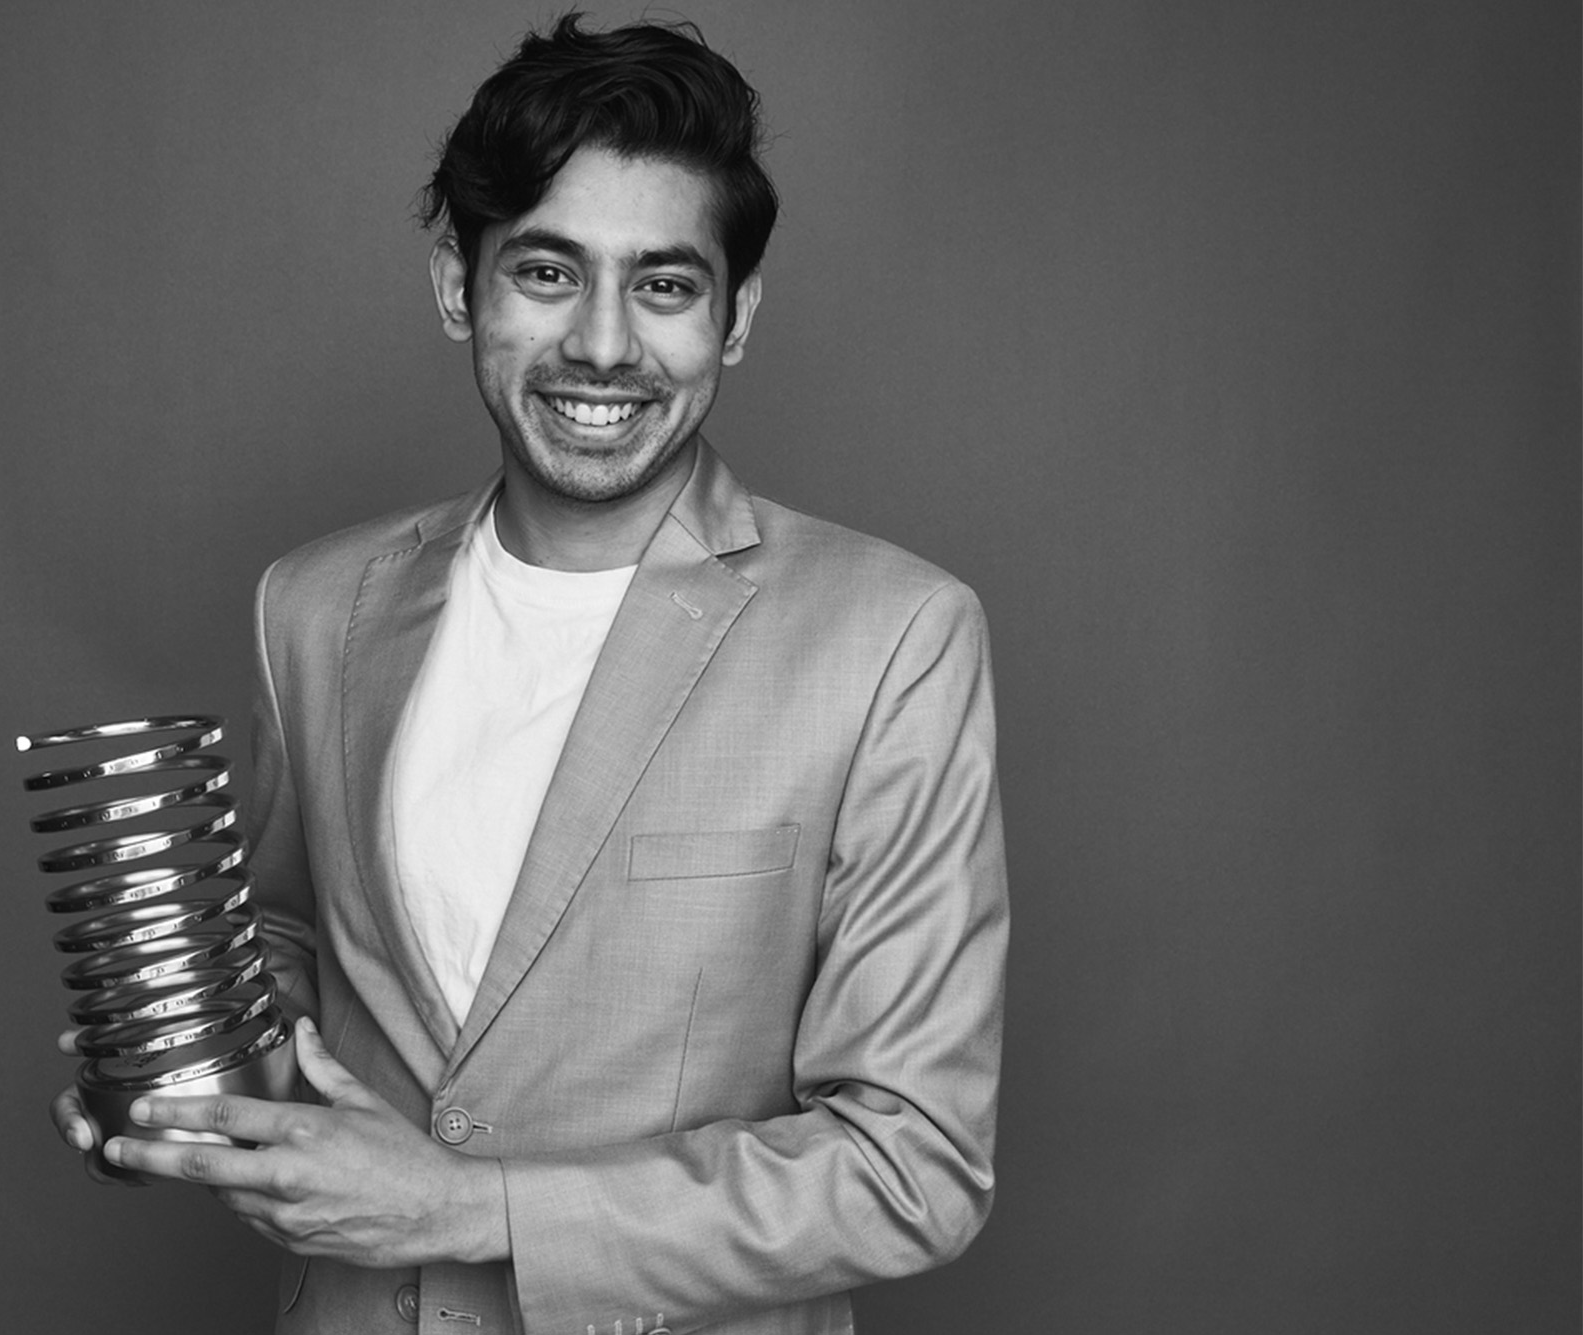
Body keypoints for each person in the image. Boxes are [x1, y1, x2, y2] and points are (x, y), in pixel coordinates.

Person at [53, 15, 1008, 1333]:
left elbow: (914, 1167)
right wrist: (186, 1058)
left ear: (735, 319)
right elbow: (282, 945)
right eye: (549, 273)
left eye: (665, 286)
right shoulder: (317, 605)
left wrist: (469, 1208)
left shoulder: (892, 636)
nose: (603, 345)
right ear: (461, 286)